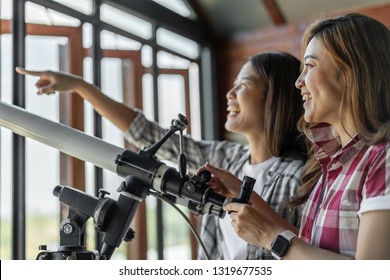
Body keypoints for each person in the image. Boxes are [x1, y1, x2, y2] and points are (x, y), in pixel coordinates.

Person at [16, 51, 307, 260]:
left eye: (243, 85)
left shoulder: (297, 176)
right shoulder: (225, 158)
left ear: (275, 97)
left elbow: (307, 252)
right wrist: (81, 86)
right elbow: (147, 134)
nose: (230, 93)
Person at [206, 13, 390, 259]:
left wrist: (270, 237)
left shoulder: (382, 159)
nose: (298, 82)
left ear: (351, 71)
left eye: (310, 66)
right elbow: (309, 253)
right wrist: (240, 192)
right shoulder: (329, 163)